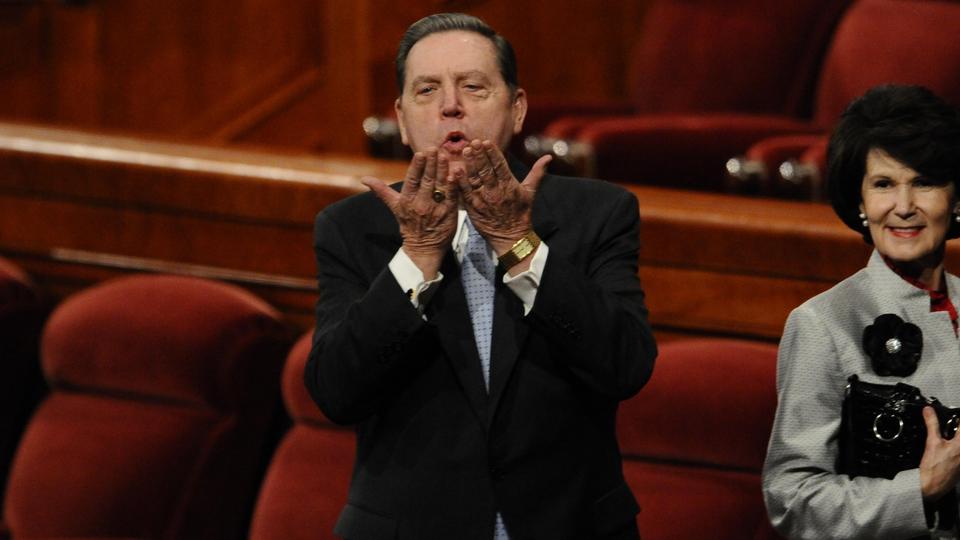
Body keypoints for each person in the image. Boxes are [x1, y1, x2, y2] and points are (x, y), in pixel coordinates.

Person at [303, 12, 656, 540]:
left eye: (473, 86)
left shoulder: (598, 213)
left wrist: (518, 243)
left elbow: (626, 365)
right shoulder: (353, 229)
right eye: (427, 90)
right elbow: (337, 392)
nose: (451, 105)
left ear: (517, 108)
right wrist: (417, 254)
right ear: (401, 119)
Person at [763, 84, 960, 539]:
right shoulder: (822, 324)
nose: (904, 207)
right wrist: (921, 489)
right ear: (860, 202)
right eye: (884, 184)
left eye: (924, 183)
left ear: (955, 200)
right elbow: (791, 499)